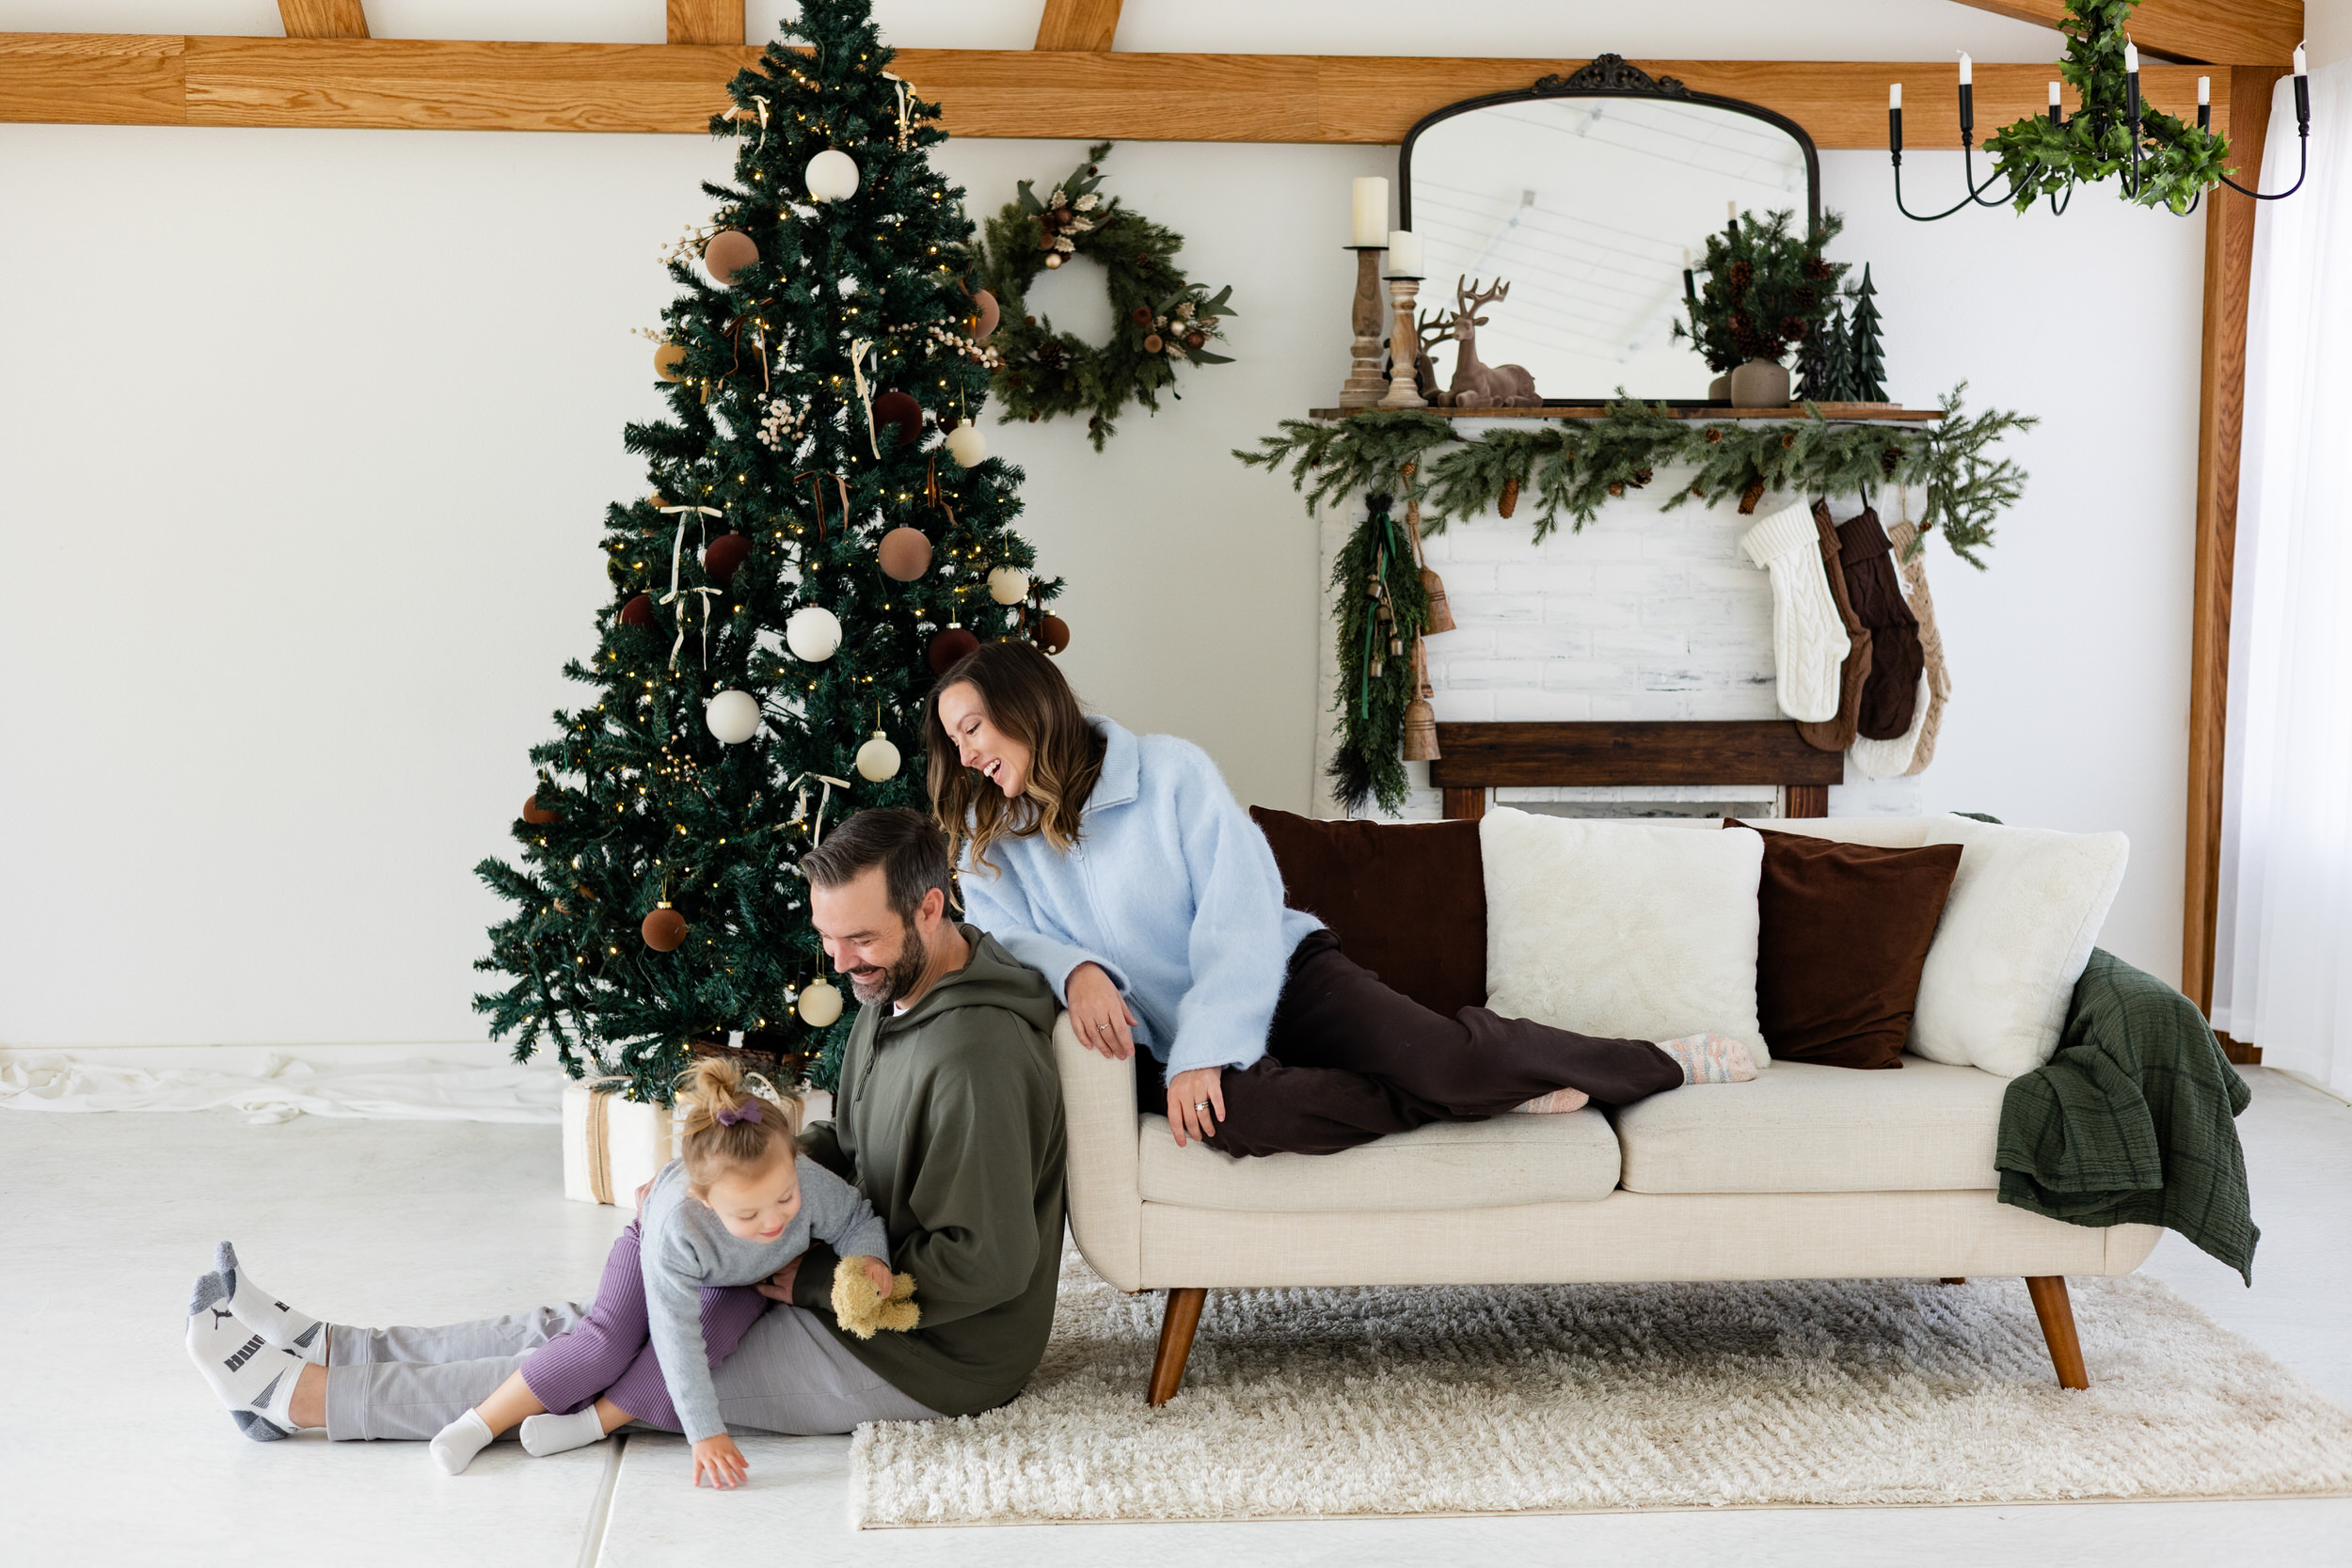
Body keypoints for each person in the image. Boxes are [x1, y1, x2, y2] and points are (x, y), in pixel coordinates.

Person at [182, 809, 1066, 1469]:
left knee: (621, 1368)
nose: (839, 963)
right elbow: (854, 1147)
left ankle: (302, 1397)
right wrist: (704, 1180)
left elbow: (989, 1264)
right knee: (590, 1325)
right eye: (828, 938)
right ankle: (340, 1346)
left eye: (860, 938)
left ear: (932, 908)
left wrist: (816, 1278)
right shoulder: (895, 991)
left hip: (926, 1357)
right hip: (840, 1285)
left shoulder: (976, 1060)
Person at [928, 641, 1753, 1160]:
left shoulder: (1169, 773)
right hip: (1167, 1043)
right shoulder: (993, 844)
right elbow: (1004, 939)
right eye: (953, 740)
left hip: (1282, 975)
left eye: (972, 729)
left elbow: (1240, 906)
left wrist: (1209, 1042)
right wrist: (1075, 968)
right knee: (1240, 1122)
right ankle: (1479, 1092)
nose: (964, 757)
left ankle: (1657, 1060)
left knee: (1445, 1060)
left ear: (1025, 704)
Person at [419, 1057, 898, 1482]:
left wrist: (868, 1259)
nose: (775, 1220)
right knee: (603, 1345)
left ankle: (589, 1426)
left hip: (746, 1278)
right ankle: (478, 1423)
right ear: (704, 1200)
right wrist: (705, 1433)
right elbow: (675, 1337)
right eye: (749, 1215)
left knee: (707, 1347)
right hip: (655, 1251)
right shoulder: (678, 1224)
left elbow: (856, 1219)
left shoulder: (806, 1181)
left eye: (785, 1199)